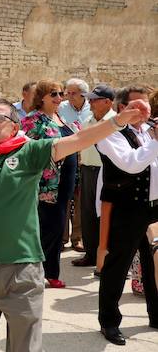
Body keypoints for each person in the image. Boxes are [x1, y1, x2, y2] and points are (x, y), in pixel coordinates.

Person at [0, 45, 146, 352]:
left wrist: (116, 122)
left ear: (15, 125)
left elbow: (76, 140)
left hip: (21, 273)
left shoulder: (30, 152)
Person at [95, 85, 157, 346]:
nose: (145, 110)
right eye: (138, 105)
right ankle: (109, 321)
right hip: (126, 207)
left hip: (153, 205)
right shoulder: (109, 132)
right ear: (122, 109)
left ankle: (156, 314)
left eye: (147, 105)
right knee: (117, 267)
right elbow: (131, 163)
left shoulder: (148, 130)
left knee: (153, 262)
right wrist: (156, 141)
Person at [21, 80, 77, 289]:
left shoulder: (61, 118)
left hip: (64, 183)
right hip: (45, 185)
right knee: (49, 227)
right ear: (41, 96)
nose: (59, 98)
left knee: (57, 226)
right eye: (54, 94)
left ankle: (51, 272)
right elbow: (25, 150)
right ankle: (34, 272)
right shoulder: (32, 120)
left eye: (60, 93)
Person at [72, 84, 115, 268]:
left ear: (107, 102)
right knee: (88, 213)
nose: (90, 102)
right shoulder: (89, 120)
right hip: (87, 170)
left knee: (105, 215)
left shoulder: (115, 121)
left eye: (94, 100)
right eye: (89, 99)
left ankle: (107, 256)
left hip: (106, 171)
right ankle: (91, 254)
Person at [59, 78, 92, 252]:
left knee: (80, 198)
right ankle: (62, 237)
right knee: (64, 195)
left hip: (85, 155)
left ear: (83, 94)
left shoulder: (91, 108)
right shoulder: (61, 108)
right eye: (67, 92)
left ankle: (77, 237)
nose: (68, 96)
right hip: (66, 155)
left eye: (73, 93)